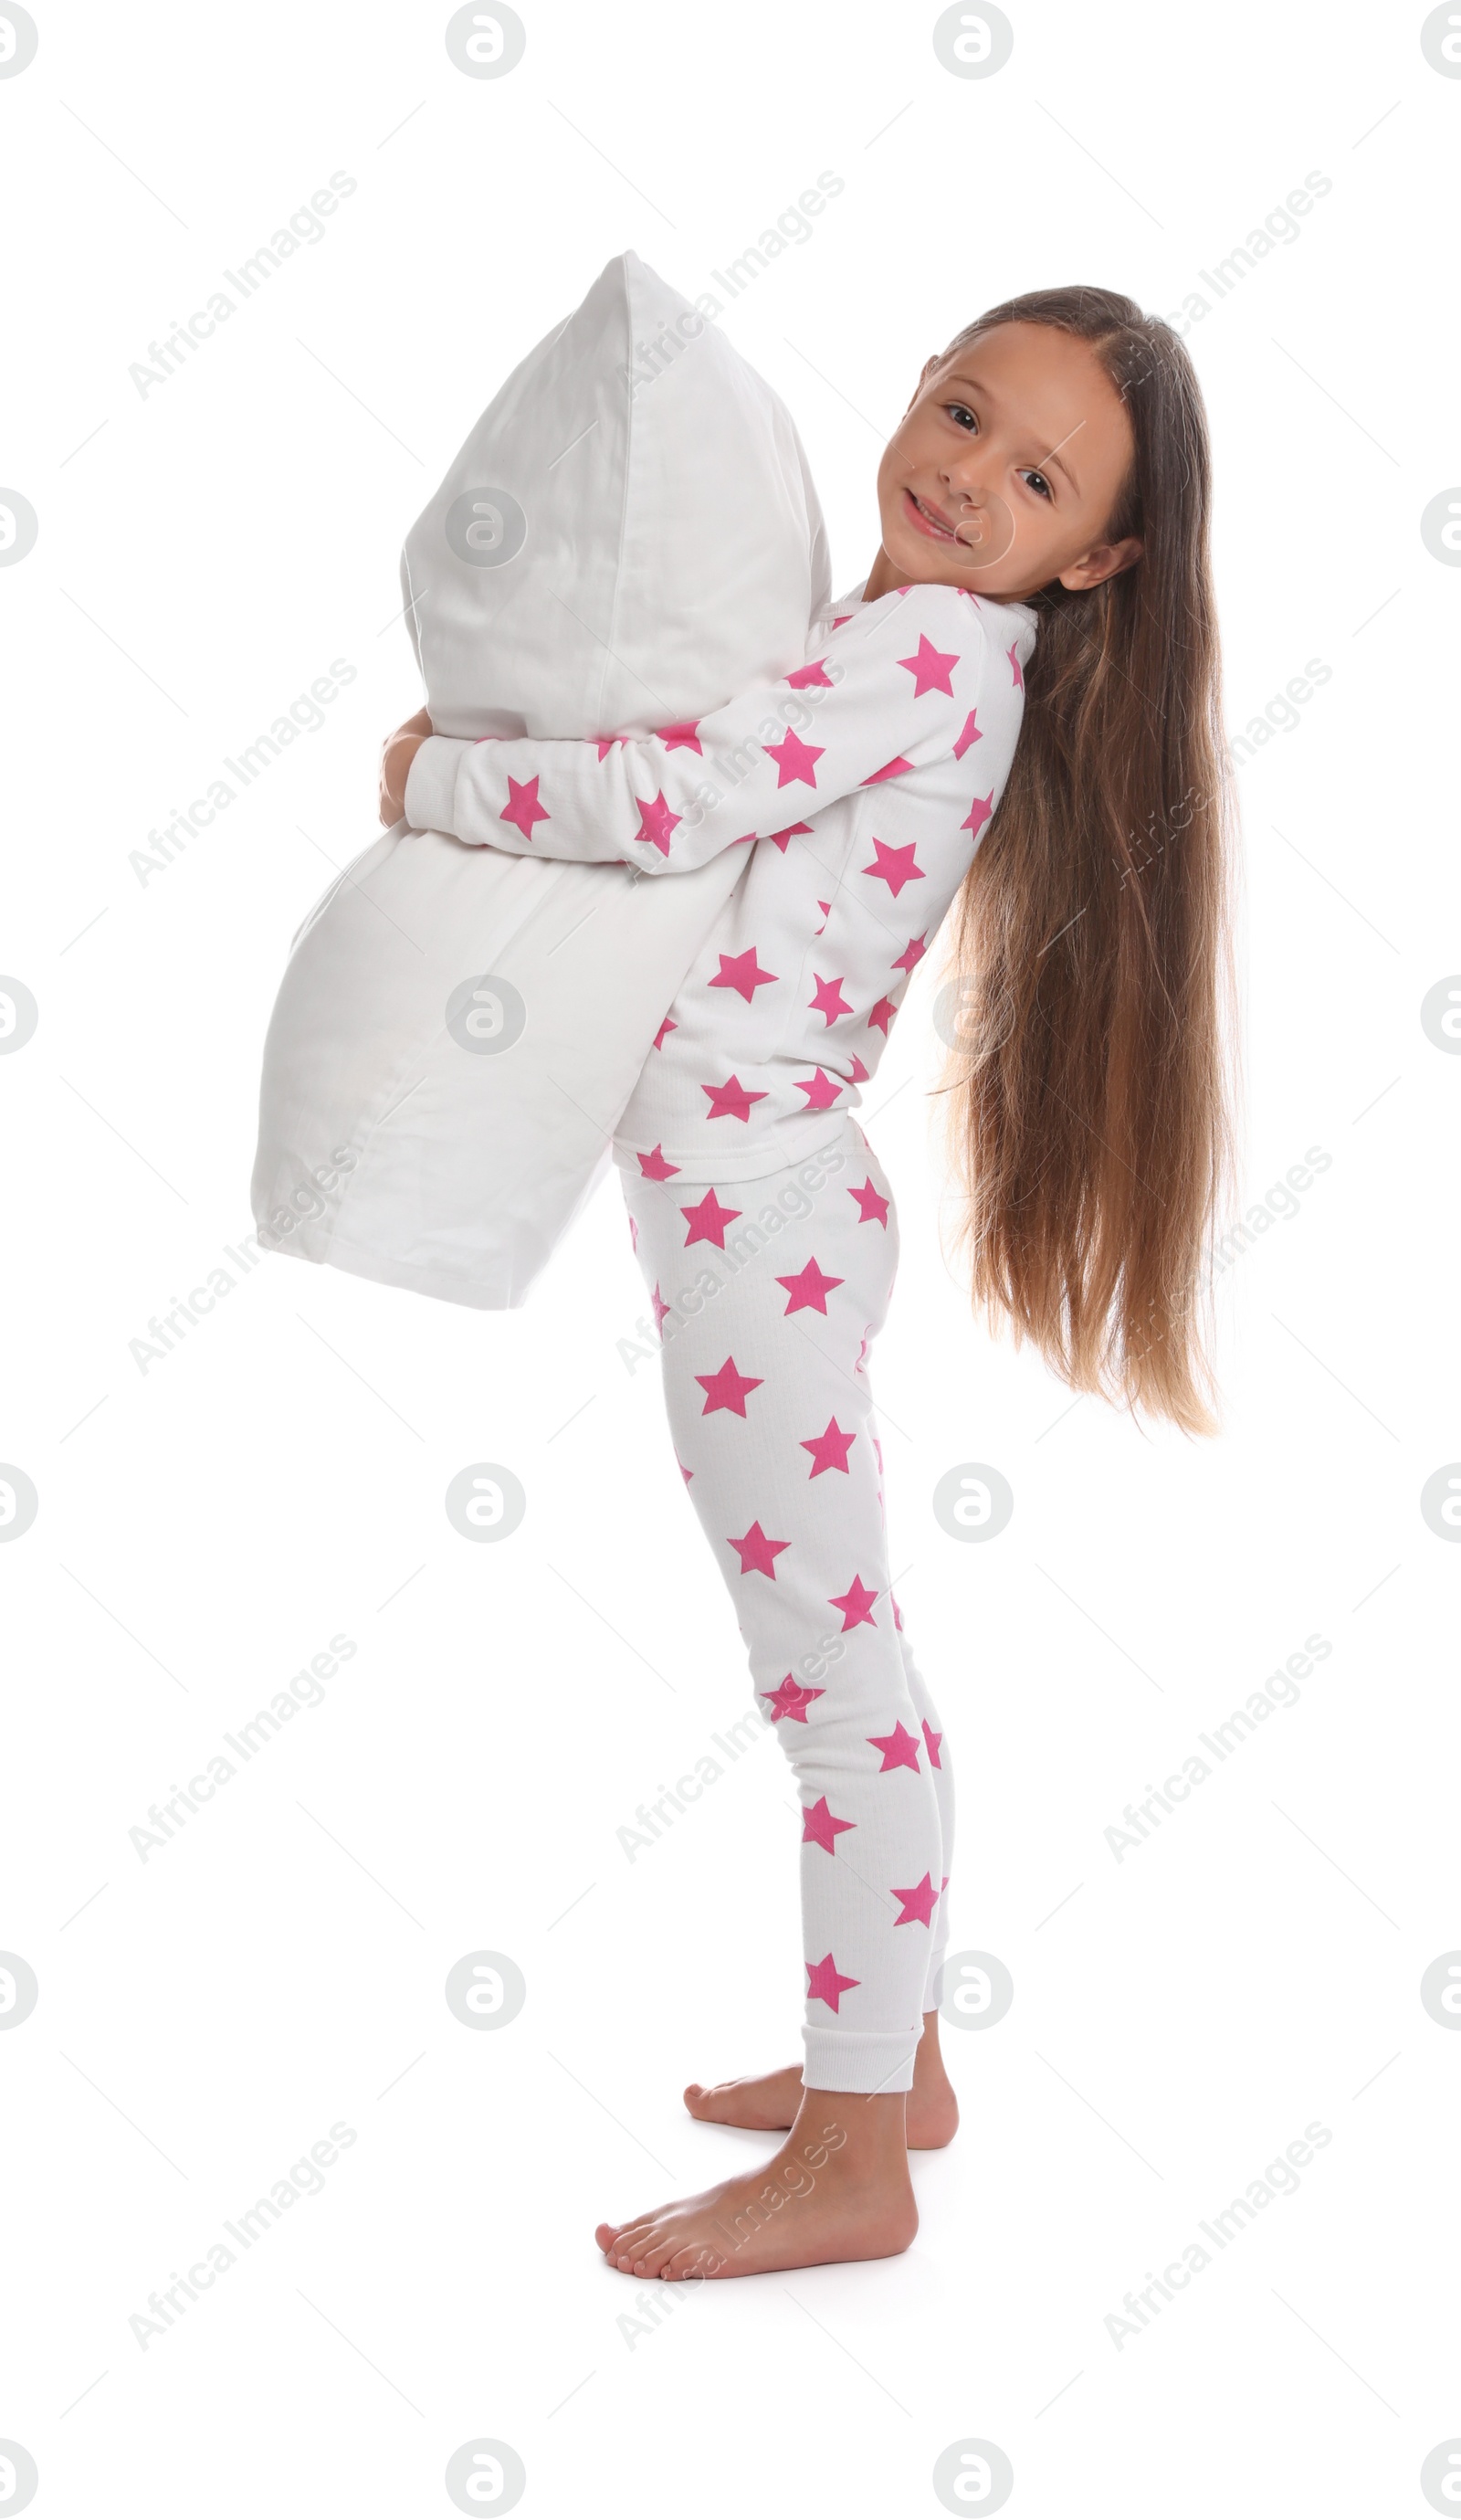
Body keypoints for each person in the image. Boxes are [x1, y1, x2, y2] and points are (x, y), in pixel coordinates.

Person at [378, 288, 1236, 2281]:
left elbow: (673, 799)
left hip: (755, 1226)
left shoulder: (934, 651)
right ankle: (891, 2061)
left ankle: (855, 2154)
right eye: (957, 411)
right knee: (848, 1675)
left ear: (1090, 557)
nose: (963, 473)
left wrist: (436, 780)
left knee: (832, 1696)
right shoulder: (912, 644)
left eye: (1032, 476)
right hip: (764, 1204)